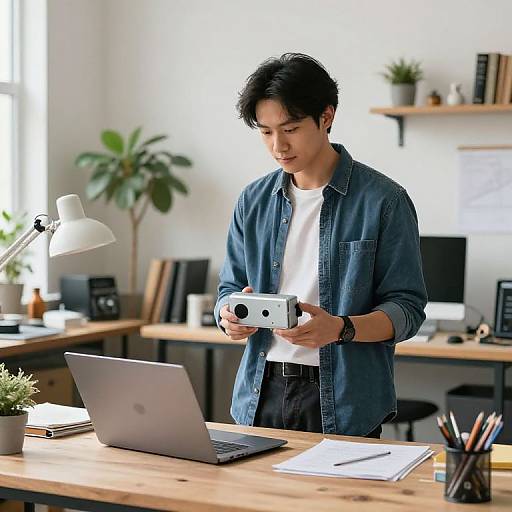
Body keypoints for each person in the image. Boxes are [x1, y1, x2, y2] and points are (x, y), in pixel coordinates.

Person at [214, 53, 427, 437]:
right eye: (265, 132)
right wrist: (228, 317)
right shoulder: (253, 200)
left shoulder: (384, 201)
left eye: (291, 128)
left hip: (345, 398)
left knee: (340, 500)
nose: (278, 145)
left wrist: (341, 328)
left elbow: (407, 309)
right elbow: (229, 289)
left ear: (326, 117)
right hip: (260, 392)